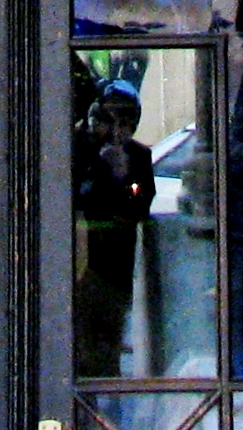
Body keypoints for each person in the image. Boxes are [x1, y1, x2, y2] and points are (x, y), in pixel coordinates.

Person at [72, 78, 158, 375]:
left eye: (125, 123)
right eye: (108, 121)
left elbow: (139, 203)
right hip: (77, 262)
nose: (115, 131)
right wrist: (97, 166)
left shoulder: (138, 157)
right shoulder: (78, 148)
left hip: (114, 268)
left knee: (106, 342)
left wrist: (125, 177)